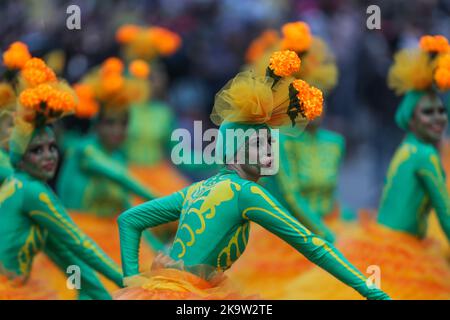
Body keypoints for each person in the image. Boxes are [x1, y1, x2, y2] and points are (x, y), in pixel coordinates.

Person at [114, 51, 390, 300]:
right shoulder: (245, 192)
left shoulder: (200, 188)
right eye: (258, 144)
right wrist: (369, 290)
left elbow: (130, 220)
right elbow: (311, 245)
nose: (270, 152)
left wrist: (131, 280)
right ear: (235, 150)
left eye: (270, 142)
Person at [281, 35, 450, 300]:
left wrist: (341, 221)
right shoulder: (422, 154)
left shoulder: (337, 143)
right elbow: (445, 212)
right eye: (428, 112)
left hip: (369, 238)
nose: (438, 118)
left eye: (441, 111)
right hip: (293, 236)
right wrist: (323, 233)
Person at [0, 54, 123, 300]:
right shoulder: (32, 191)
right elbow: (79, 243)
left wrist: (108, 293)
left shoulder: (23, 186)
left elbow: (63, 252)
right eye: (37, 150)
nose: (49, 156)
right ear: (20, 158)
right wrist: (130, 280)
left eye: (52, 147)